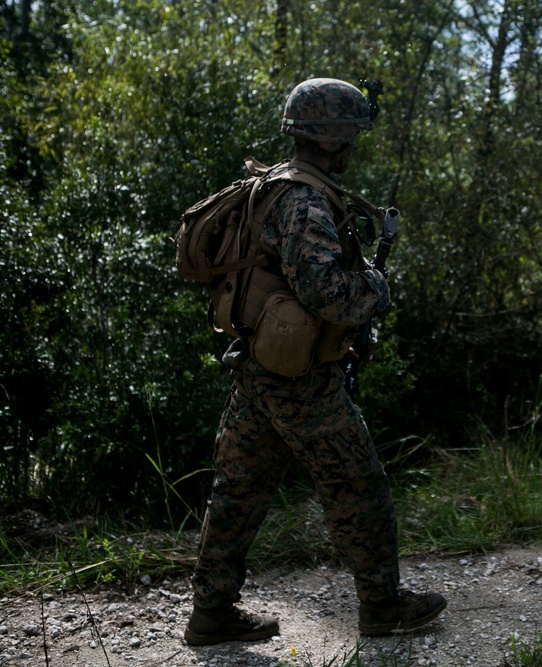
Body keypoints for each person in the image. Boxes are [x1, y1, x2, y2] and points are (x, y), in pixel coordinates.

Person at [183, 78, 447, 646]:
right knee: (357, 483)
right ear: (333, 138)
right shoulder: (306, 202)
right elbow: (327, 292)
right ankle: (381, 605)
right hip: (298, 380)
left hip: (256, 368)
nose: (355, 145)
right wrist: (376, 286)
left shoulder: (274, 188)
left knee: (239, 489)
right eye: (352, 134)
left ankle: (211, 612)